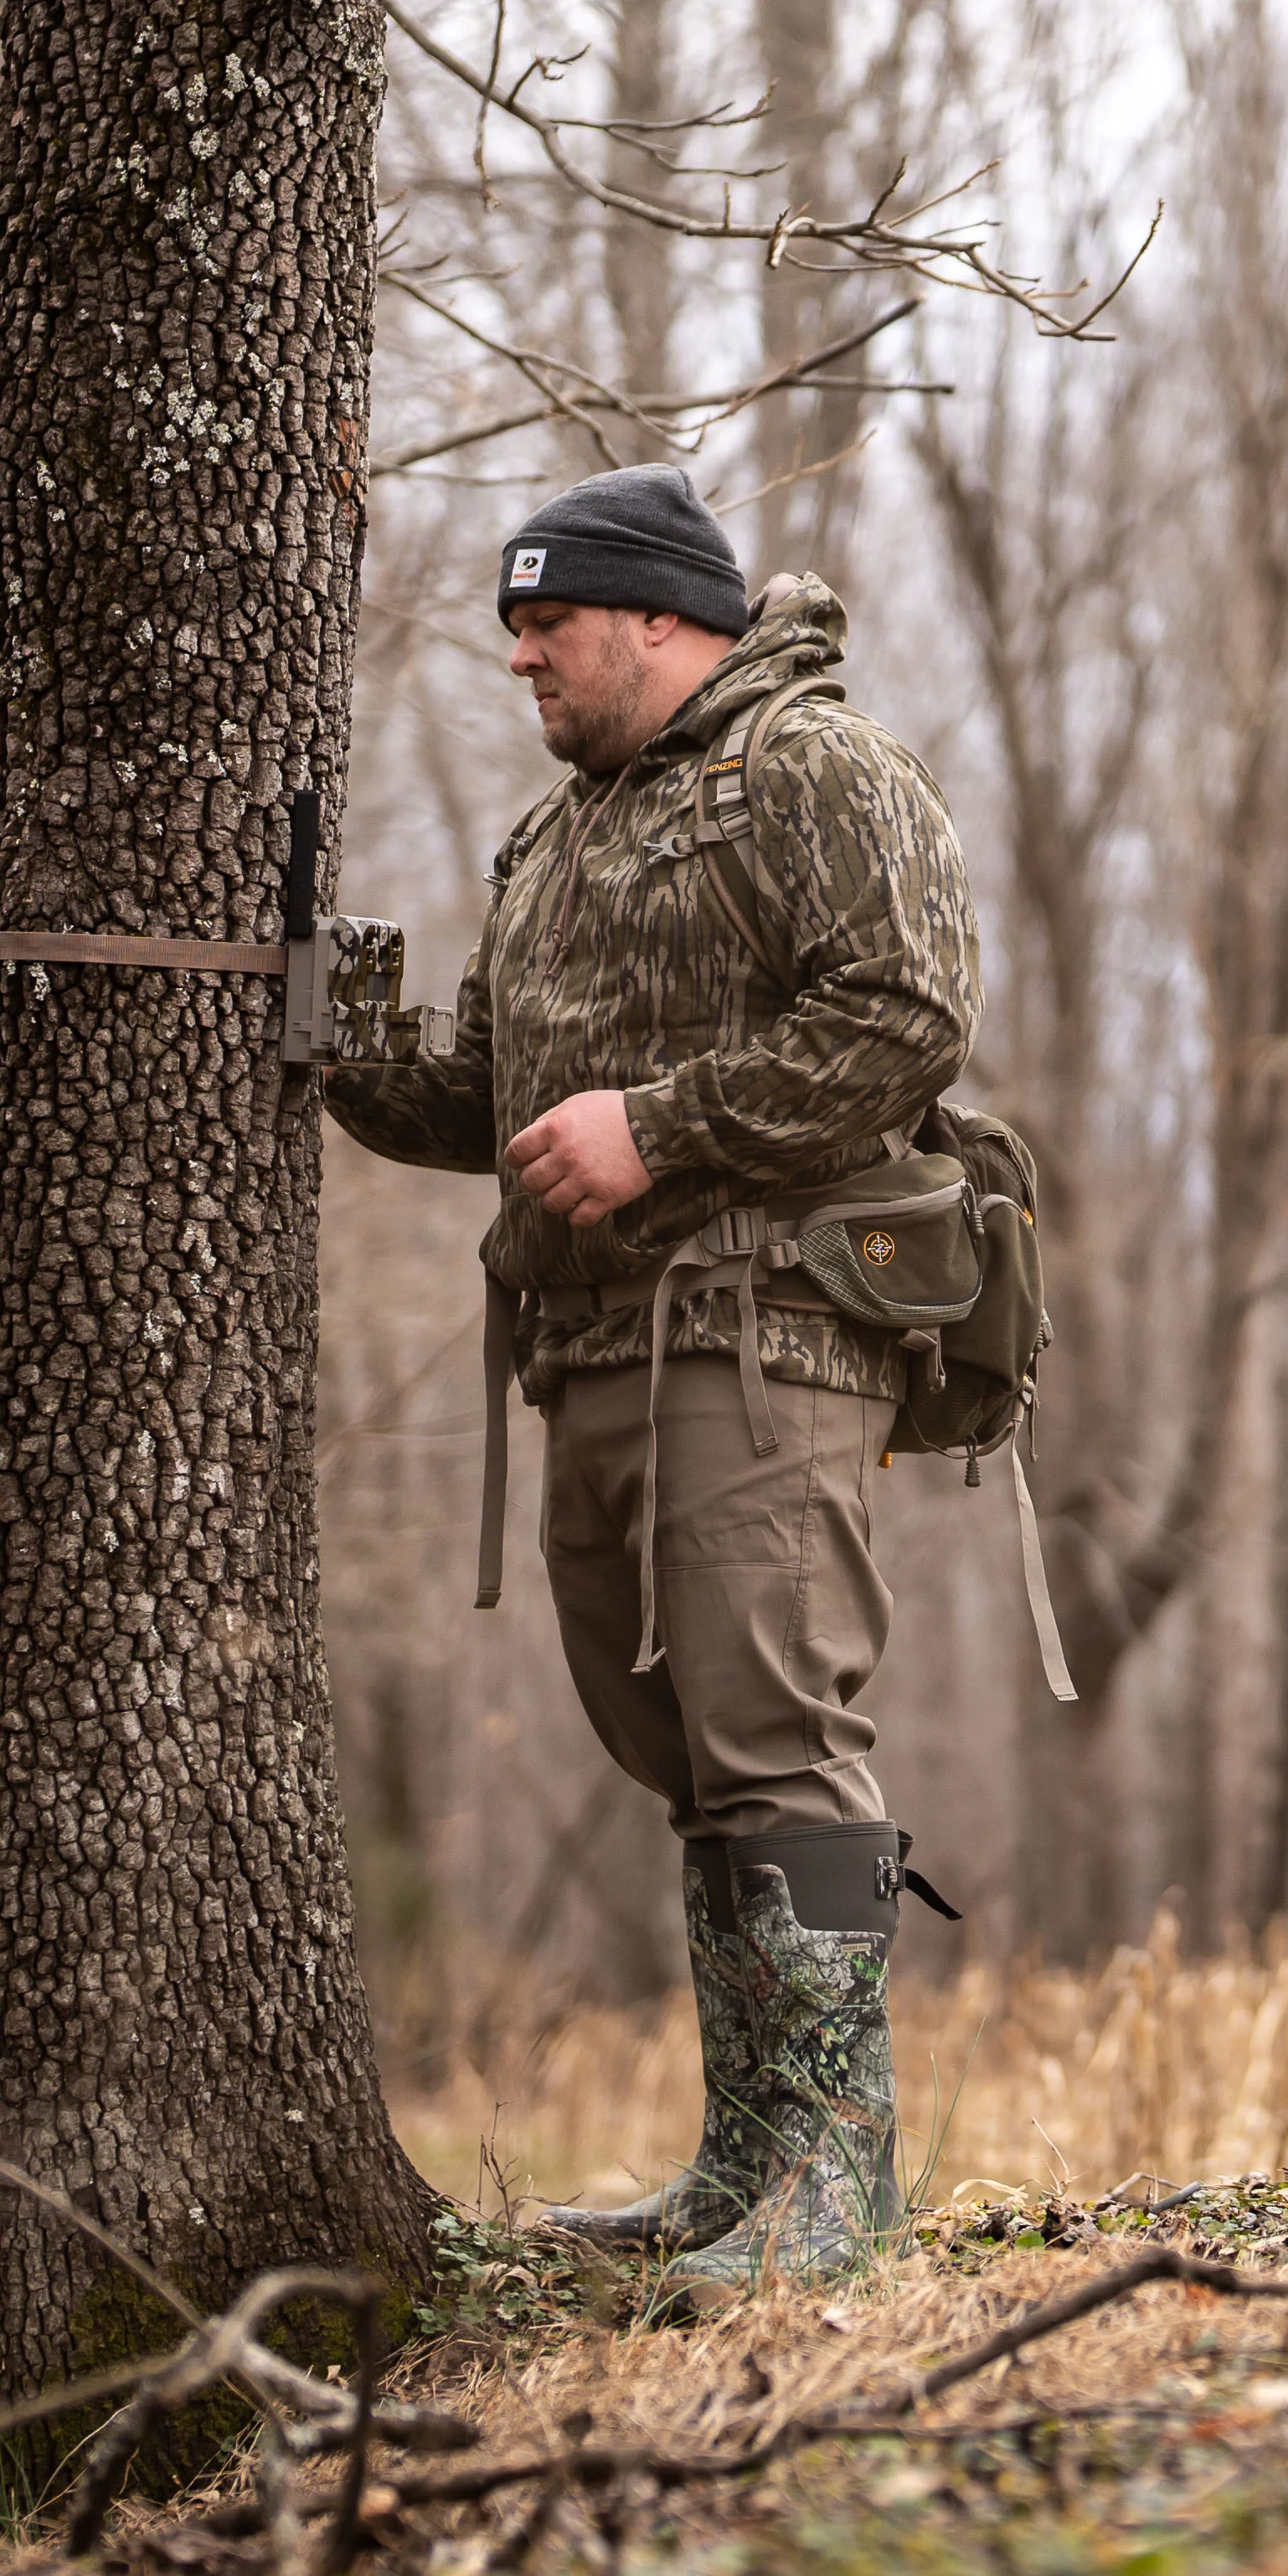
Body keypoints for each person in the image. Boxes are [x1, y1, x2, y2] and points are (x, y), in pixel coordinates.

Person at [320, 461, 978, 2294]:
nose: (522, 655)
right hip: (591, 1348)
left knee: (773, 1730)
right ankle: (747, 2169)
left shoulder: (818, 768)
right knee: (679, 1746)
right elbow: (496, 1098)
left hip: (764, 1331)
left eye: (551, 622)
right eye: (515, 626)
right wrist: (344, 1044)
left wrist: (661, 1127)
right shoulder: (561, 836)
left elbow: (909, 1013)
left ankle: (837, 2200)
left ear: (658, 618)